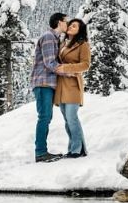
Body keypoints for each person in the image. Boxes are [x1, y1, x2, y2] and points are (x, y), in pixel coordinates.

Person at [30, 12, 69, 162]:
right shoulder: (48, 37)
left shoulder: (54, 38)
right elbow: (49, 63)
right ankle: (40, 153)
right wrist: (69, 71)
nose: (67, 24)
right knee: (44, 116)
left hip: (47, 83)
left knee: (46, 116)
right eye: (66, 21)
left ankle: (41, 151)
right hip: (43, 82)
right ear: (59, 22)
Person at [54, 18, 91, 158]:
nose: (70, 27)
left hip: (73, 84)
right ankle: (75, 148)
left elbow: (85, 65)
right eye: (70, 25)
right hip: (62, 85)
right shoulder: (63, 43)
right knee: (67, 120)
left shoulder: (83, 45)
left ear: (79, 30)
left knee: (72, 117)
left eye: (74, 26)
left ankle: (77, 150)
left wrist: (66, 67)